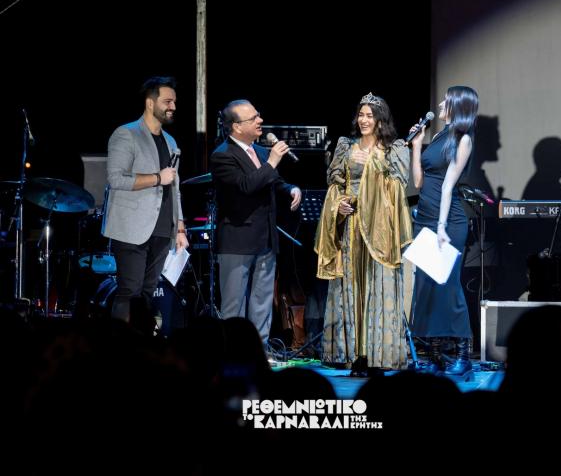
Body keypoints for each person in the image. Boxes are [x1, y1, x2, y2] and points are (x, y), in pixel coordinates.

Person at [315, 92, 413, 376]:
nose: (364, 120)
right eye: (361, 114)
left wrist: (374, 162)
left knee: (376, 286)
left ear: (381, 119)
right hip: (353, 227)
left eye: (370, 115)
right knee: (352, 286)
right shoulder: (346, 146)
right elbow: (335, 184)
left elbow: (397, 187)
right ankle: (357, 355)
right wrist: (339, 204)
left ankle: (377, 355)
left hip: (379, 229)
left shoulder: (394, 149)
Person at [210, 100, 302, 347]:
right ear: (237, 126)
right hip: (237, 241)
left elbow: (274, 181)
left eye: (258, 115)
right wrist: (272, 162)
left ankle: (260, 350)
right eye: (253, 118)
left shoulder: (260, 152)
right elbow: (246, 185)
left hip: (265, 238)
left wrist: (291, 189)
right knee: (234, 304)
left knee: (262, 301)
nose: (260, 121)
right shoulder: (222, 155)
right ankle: (232, 352)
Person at [103, 76, 188, 329]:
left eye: (174, 102)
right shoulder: (126, 134)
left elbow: (175, 187)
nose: (173, 106)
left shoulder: (170, 141)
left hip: (162, 229)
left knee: (148, 293)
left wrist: (180, 227)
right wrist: (156, 178)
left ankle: (140, 346)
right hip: (131, 228)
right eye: (167, 101)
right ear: (150, 103)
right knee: (130, 291)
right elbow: (116, 179)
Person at [409, 85, 479, 378]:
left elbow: (448, 185)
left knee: (448, 287)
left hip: (447, 221)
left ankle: (463, 355)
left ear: (458, 106)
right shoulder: (438, 136)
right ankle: (435, 355)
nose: (439, 104)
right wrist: (416, 146)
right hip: (425, 216)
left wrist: (440, 226)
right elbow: (419, 182)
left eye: (445, 101)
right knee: (426, 287)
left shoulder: (463, 139)